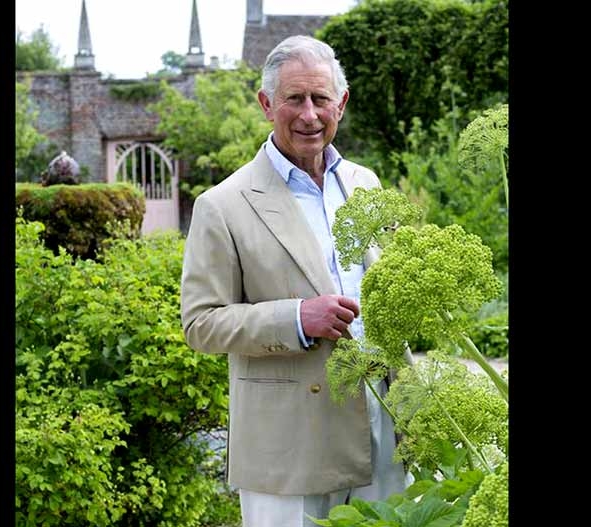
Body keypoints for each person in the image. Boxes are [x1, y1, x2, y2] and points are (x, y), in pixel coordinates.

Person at [180, 35, 409, 526]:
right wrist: (297, 319)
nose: (309, 114)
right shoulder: (222, 204)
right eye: (294, 99)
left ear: (341, 104)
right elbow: (200, 324)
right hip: (287, 447)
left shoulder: (365, 183)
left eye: (321, 98)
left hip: (383, 425)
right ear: (267, 104)